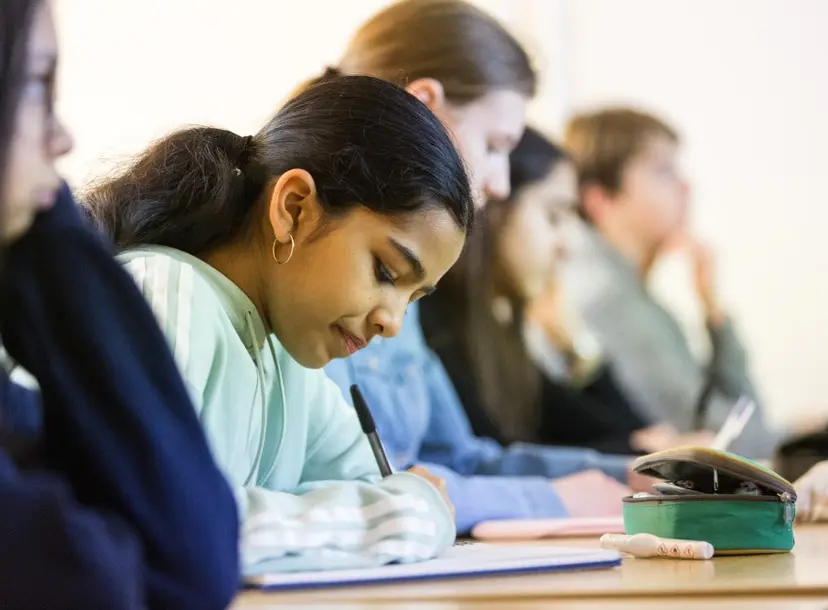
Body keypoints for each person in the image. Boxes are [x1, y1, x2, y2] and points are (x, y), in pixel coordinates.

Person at [85, 74, 473, 572]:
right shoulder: (164, 297)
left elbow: (373, 492)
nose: (392, 322)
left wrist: (393, 508)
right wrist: (400, 514)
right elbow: (159, 523)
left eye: (413, 297)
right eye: (385, 272)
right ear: (294, 209)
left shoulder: (291, 363)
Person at [325, 0, 647, 536]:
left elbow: (464, 459)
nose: (499, 184)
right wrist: (547, 497)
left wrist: (631, 476)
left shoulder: (410, 289)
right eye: (496, 146)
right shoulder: (319, 268)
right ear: (424, 105)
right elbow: (365, 489)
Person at [0, 1, 239, 608]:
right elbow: (94, 579)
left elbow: (192, 566)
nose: (63, 138)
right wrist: (47, 220)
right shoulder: (180, 289)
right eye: (34, 84)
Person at [420, 127, 714, 456]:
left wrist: (571, 342)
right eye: (554, 216)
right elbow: (502, 459)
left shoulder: (497, 328)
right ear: (494, 209)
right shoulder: (435, 323)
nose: (567, 246)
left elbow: (628, 433)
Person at [563, 107, 776, 458]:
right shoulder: (608, 298)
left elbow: (732, 422)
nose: (685, 186)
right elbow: (731, 443)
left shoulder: (624, 288)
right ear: (600, 198)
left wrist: (712, 309)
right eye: (663, 171)